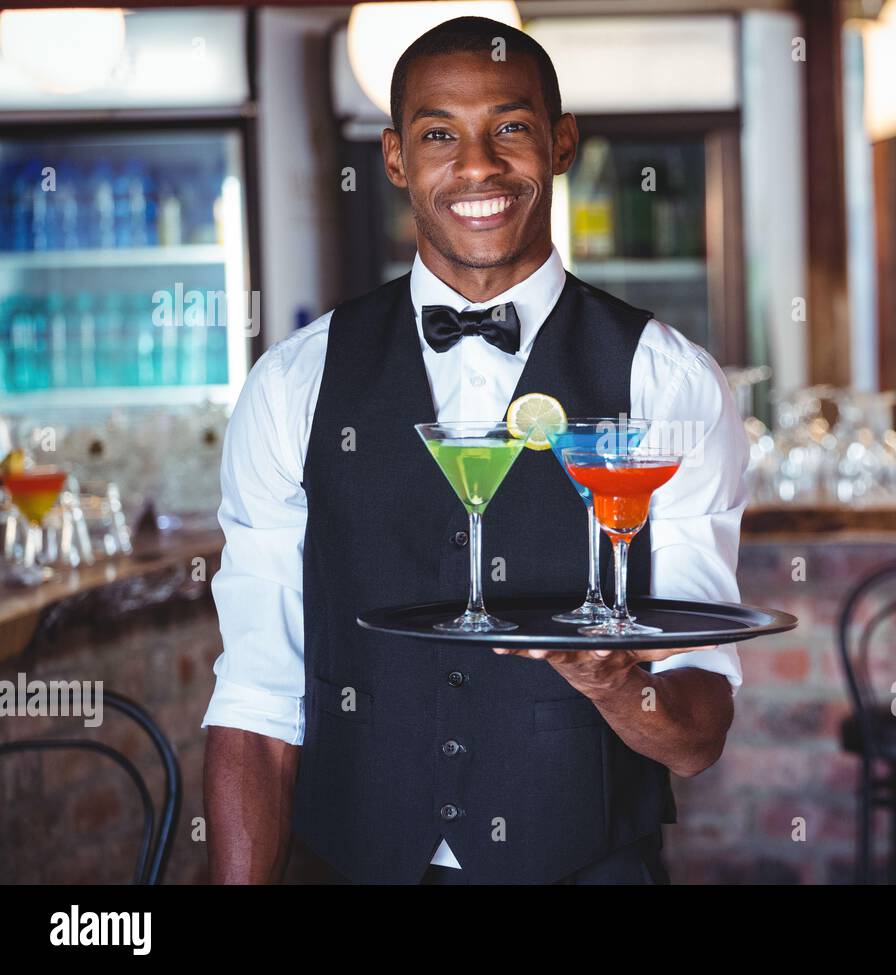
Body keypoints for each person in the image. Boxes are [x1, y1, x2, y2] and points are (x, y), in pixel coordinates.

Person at [202, 16, 748, 884]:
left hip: (589, 864)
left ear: (561, 142)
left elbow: (697, 733)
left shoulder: (667, 382)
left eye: (512, 127)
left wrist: (611, 681)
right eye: (438, 134)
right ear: (394, 158)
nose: (478, 165)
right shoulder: (293, 384)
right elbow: (259, 698)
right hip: (352, 861)